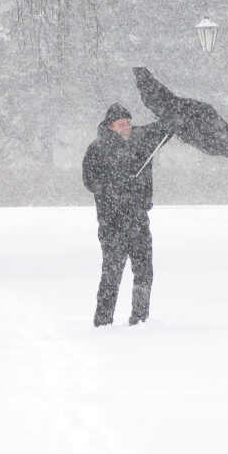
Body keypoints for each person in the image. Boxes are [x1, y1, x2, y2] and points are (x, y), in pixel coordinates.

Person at [82, 103, 172, 327]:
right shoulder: (97, 149)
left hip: (139, 220)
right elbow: (90, 182)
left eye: (128, 122)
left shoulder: (141, 142)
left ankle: (140, 319)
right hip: (112, 223)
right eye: (122, 123)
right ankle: (103, 322)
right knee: (111, 275)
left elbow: (160, 133)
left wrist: (173, 123)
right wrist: (114, 187)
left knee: (144, 271)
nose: (127, 126)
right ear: (111, 126)